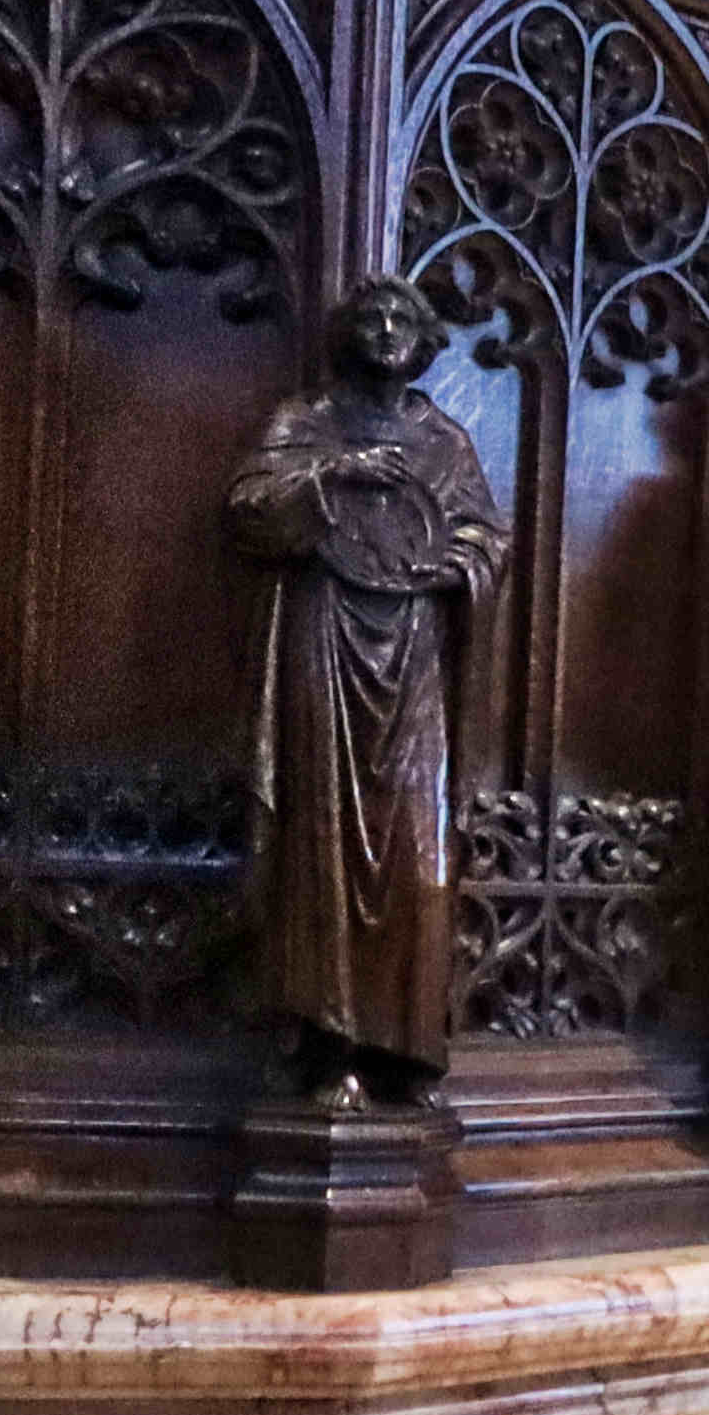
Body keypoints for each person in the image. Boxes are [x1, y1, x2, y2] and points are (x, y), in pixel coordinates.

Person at [228, 276, 515, 1095]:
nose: (387, 331)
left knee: (418, 849)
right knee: (323, 840)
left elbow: (485, 536)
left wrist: (461, 563)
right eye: (372, 318)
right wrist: (332, 479)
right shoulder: (307, 425)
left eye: (403, 319)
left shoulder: (444, 442)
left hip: (416, 652)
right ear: (345, 334)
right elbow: (249, 505)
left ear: (424, 341)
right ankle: (330, 1046)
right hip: (325, 641)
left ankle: (405, 1042)